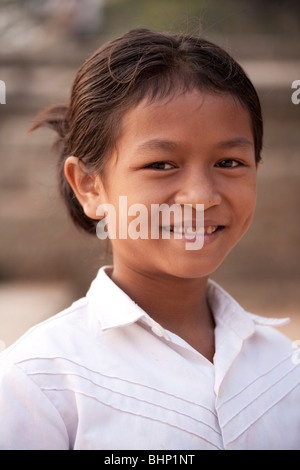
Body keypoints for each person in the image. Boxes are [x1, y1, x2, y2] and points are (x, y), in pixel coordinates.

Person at [0, 29, 299, 450]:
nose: (201, 196)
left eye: (229, 162)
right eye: (161, 164)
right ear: (90, 186)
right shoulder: (40, 380)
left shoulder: (282, 367)